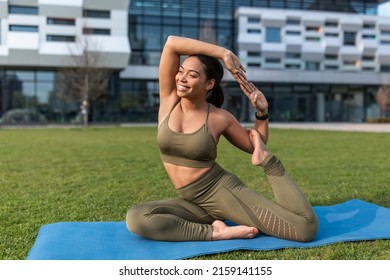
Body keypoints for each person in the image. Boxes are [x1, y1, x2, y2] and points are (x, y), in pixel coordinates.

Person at [126, 36, 318, 242]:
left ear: (209, 84)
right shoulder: (169, 101)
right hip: (193, 201)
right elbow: (172, 44)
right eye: (181, 71)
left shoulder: (219, 117)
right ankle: (215, 231)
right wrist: (223, 53)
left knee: (304, 228)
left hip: (221, 192)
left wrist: (262, 113)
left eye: (192, 75)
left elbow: (255, 143)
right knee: (137, 218)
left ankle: (271, 165)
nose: (181, 77)